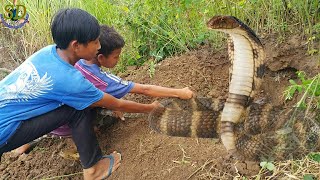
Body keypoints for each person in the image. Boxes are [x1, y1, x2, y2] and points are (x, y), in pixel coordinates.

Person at [0, 8, 164, 179]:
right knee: (76, 109)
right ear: (76, 45)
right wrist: (150, 108)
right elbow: (117, 104)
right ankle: (93, 170)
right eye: (94, 42)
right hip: (4, 130)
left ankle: (25, 142)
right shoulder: (72, 81)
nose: (99, 46)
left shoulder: (48, 52)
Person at [15, 24, 194, 157]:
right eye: (116, 56)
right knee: (106, 119)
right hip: (64, 123)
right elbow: (144, 89)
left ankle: (27, 142)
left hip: (40, 120)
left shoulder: (75, 60)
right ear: (100, 56)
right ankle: (76, 146)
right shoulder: (103, 80)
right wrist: (179, 93)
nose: (118, 60)